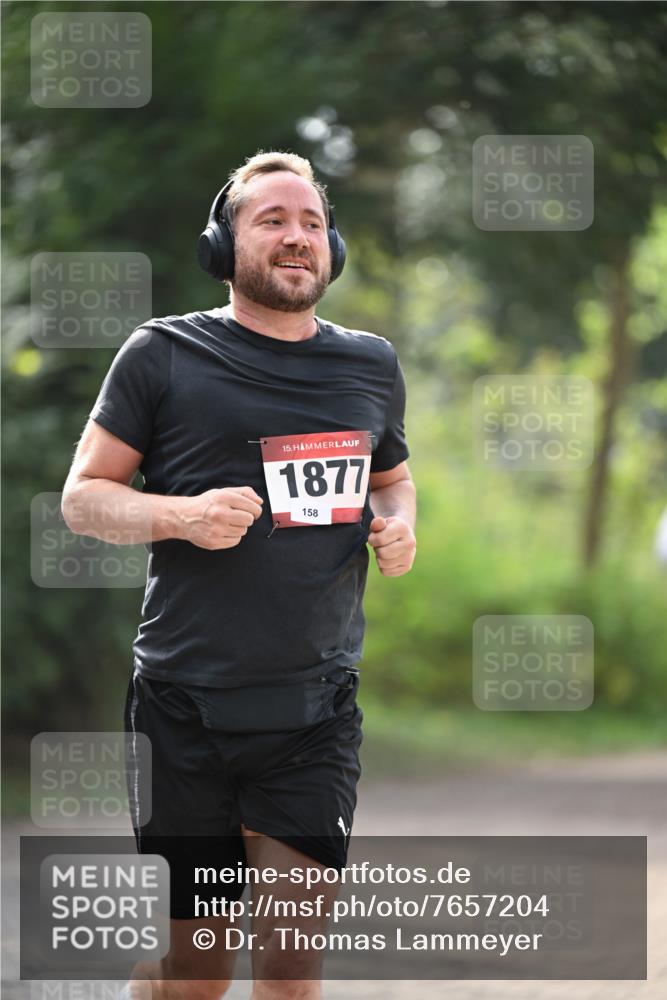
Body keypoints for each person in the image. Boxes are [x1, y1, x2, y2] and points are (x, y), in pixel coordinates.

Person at [62, 150, 416, 1000]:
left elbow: (393, 478)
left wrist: (399, 525)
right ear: (223, 245)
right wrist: (179, 515)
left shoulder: (369, 364)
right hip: (184, 708)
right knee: (197, 973)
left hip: (313, 711)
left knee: (290, 972)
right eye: (273, 220)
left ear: (334, 248)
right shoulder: (163, 354)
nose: (298, 237)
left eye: (313, 224)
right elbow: (83, 499)